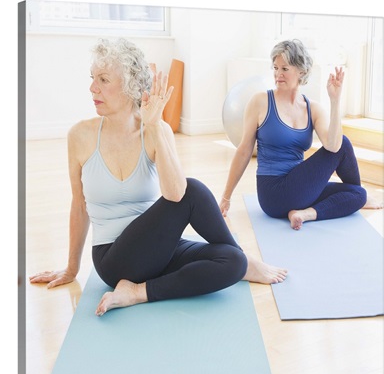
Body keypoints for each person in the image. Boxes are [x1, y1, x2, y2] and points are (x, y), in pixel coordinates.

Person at [30, 38, 287, 317]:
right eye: (93, 78)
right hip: (114, 259)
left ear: (130, 87)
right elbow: (79, 206)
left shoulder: (157, 130)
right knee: (196, 190)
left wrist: (153, 126)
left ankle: (139, 292)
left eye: (103, 80)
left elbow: (174, 192)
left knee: (232, 261)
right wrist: (71, 268)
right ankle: (249, 262)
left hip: (158, 248)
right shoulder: (80, 135)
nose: (93, 88)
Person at [220, 39, 382, 230]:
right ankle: (352, 197)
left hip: (300, 189)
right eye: (275, 68)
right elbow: (244, 151)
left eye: (285, 69)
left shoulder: (312, 108)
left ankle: (305, 214)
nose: (278, 74)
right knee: (345, 147)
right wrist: (225, 197)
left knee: (358, 193)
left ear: (301, 71)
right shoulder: (260, 101)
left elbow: (332, 146)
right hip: (273, 192)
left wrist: (335, 100)